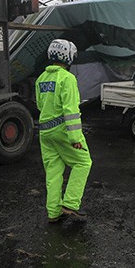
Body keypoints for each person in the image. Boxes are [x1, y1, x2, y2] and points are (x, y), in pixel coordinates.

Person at [36, 39, 93, 223]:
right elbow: (71, 110)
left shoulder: (41, 79)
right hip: (62, 130)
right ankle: (70, 203)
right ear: (68, 57)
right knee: (83, 163)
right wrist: (75, 137)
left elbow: (39, 105)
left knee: (53, 172)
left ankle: (53, 213)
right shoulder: (67, 78)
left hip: (45, 132)